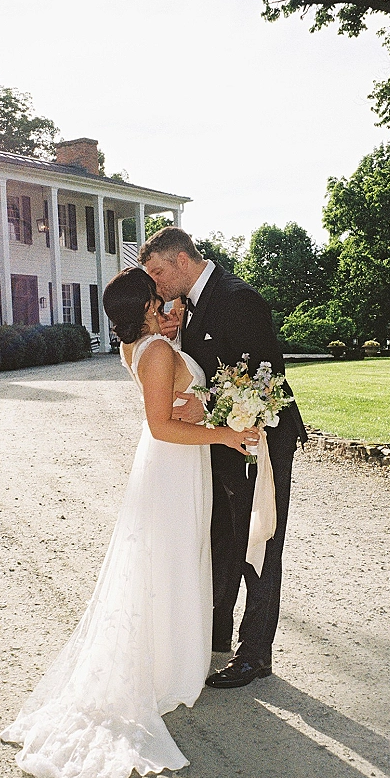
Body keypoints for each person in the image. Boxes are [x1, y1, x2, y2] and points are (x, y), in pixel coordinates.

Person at [0, 267, 257, 778]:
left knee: (164, 560)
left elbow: (173, 400)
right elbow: (160, 423)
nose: (165, 297)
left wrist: (200, 397)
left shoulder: (138, 347)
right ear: (143, 305)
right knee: (170, 558)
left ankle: (168, 658)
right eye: (157, 295)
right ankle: (166, 668)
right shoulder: (158, 352)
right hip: (171, 461)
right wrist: (229, 433)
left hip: (169, 465)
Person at [139, 227, 307, 690]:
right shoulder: (189, 307)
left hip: (261, 441)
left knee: (259, 542)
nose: (154, 284)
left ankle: (255, 654)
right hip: (223, 442)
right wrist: (174, 338)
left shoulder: (237, 297)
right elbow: (208, 362)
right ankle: (216, 634)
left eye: (156, 271)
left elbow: (267, 370)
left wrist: (206, 401)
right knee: (222, 538)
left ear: (179, 260)